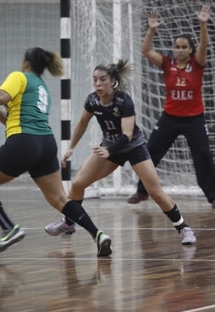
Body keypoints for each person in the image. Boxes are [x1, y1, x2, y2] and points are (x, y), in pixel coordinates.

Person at [0, 47, 112, 257]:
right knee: (60, 199)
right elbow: (7, 117)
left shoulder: (19, 76)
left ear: (26, 63)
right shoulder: (41, 86)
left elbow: (1, 96)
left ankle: (9, 229)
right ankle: (98, 234)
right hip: (46, 144)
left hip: (24, 142)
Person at [44, 60, 196, 245]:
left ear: (113, 81)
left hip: (133, 148)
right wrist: (70, 148)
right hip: (109, 148)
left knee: (155, 192)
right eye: (95, 80)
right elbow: (82, 123)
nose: (98, 84)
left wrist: (109, 150)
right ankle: (68, 223)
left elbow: (127, 134)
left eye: (103, 79)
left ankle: (184, 228)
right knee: (78, 184)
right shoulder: (92, 100)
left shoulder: (124, 101)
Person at [128, 5, 215, 209]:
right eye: (177, 47)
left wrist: (203, 25)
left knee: (203, 155)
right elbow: (145, 50)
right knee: (150, 151)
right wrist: (152, 29)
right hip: (170, 118)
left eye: (184, 47)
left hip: (194, 118)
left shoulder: (197, 64)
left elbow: (204, 45)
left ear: (190, 50)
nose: (180, 50)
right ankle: (142, 191)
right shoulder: (167, 63)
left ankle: (214, 196)